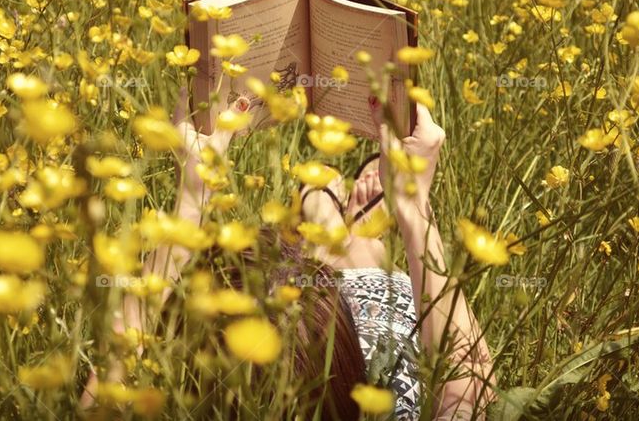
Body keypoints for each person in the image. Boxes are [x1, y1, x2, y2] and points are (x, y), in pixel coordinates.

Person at [82, 91, 496, 419]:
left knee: (319, 271)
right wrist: (413, 209)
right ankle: (330, 215)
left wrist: (192, 198)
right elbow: (466, 384)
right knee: (358, 254)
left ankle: (321, 209)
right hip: (375, 345)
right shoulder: (386, 395)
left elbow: (118, 353)